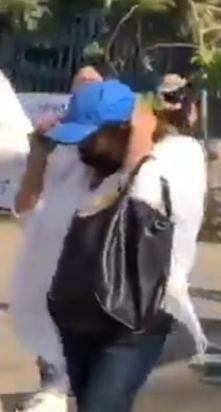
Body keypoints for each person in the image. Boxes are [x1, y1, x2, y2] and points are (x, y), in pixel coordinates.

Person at [42, 80, 207, 411]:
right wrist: (39, 146)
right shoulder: (86, 167)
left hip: (136, 315)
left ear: (123, 132)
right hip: (79, 310)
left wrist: (139, 138)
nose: (81, 147)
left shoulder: (173, 160)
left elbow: (139, 195)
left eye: (89, 137)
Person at [7, 68, 103, 412]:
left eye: (95, 89)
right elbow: (25, 201)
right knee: (49, 321)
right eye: (82, 89)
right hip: (51, 247)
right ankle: (53, 389)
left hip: (98, 250)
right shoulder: (50, 136)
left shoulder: (118, 142)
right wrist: (39, 152)